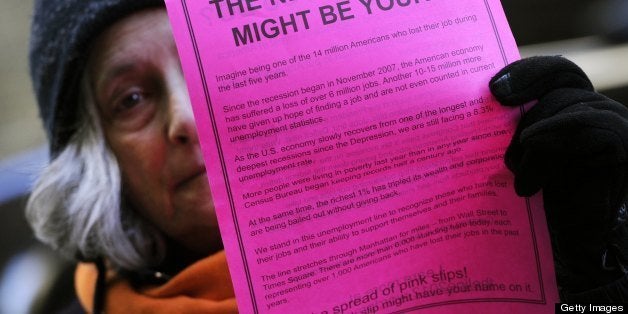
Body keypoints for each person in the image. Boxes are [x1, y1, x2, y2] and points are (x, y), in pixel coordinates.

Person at [26, 0, 628, 312]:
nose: (185, 118)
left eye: (210, 69)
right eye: (130, 98)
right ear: (96, 159)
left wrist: (596, 274)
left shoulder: (498, 241)